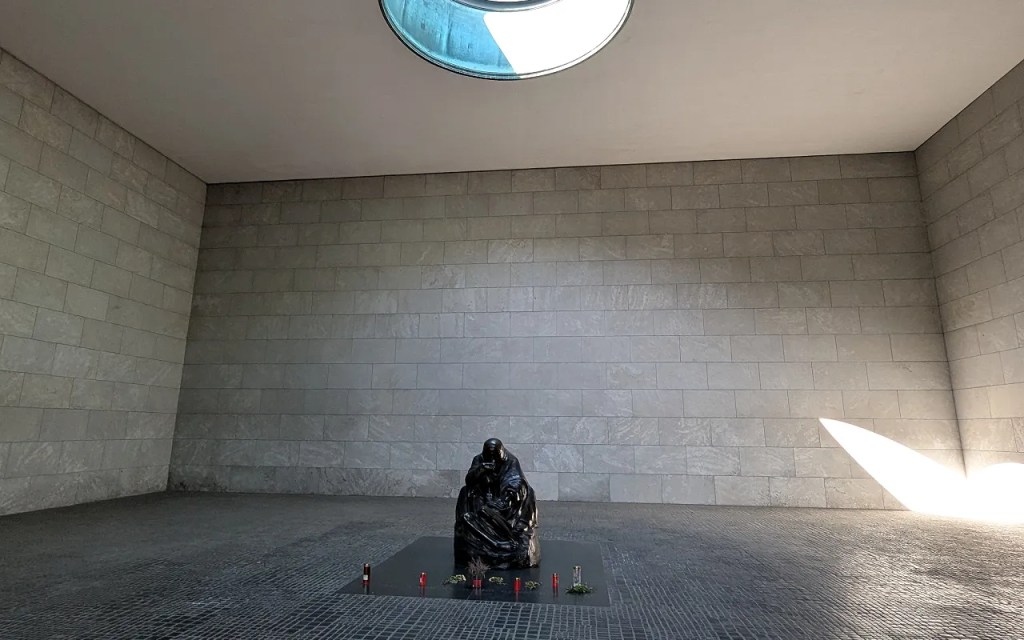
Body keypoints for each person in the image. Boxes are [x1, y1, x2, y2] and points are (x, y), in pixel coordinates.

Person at [454, 438, 540, 568]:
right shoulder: (479, 460)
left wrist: (504, 499)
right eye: (489, 455)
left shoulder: (511, 461)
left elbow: (516, 481)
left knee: (526, 492)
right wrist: (481, 469)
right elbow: (469, 480)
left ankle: (506, 538)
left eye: (495, 455)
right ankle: (491, 541)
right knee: (465, 495)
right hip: (483, 498)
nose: (492, 459)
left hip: (504, 500)